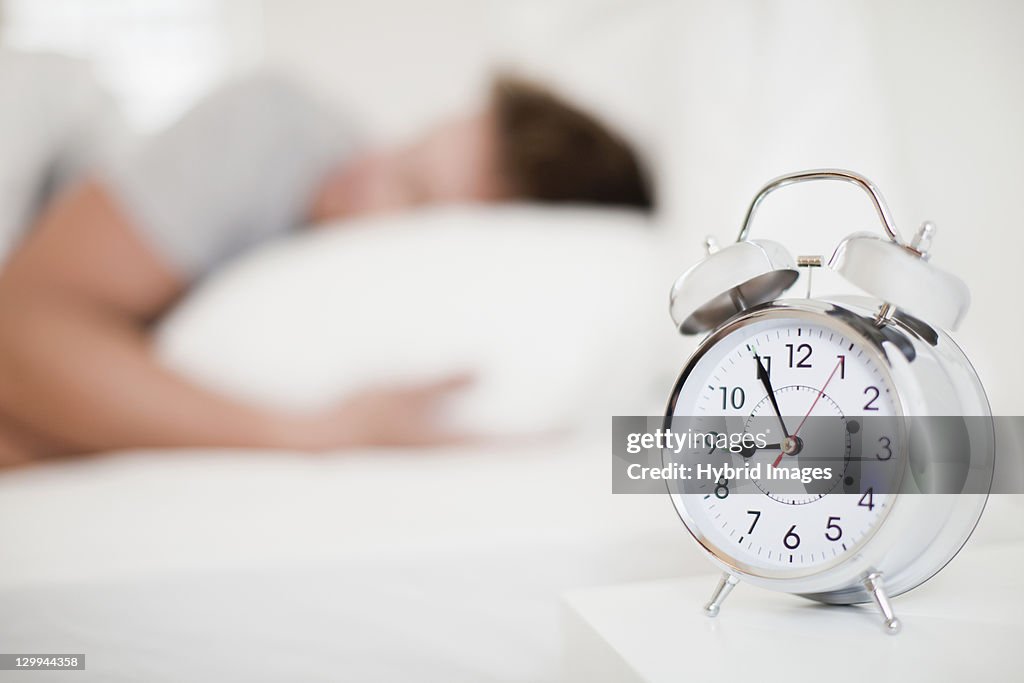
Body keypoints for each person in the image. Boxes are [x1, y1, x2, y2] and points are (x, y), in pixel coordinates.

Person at [0, 73, 653, 466]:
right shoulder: (268, 125)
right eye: (407, 148)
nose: (365, 171)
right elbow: (16, 335)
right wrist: (309, 434)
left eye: (412, 191)